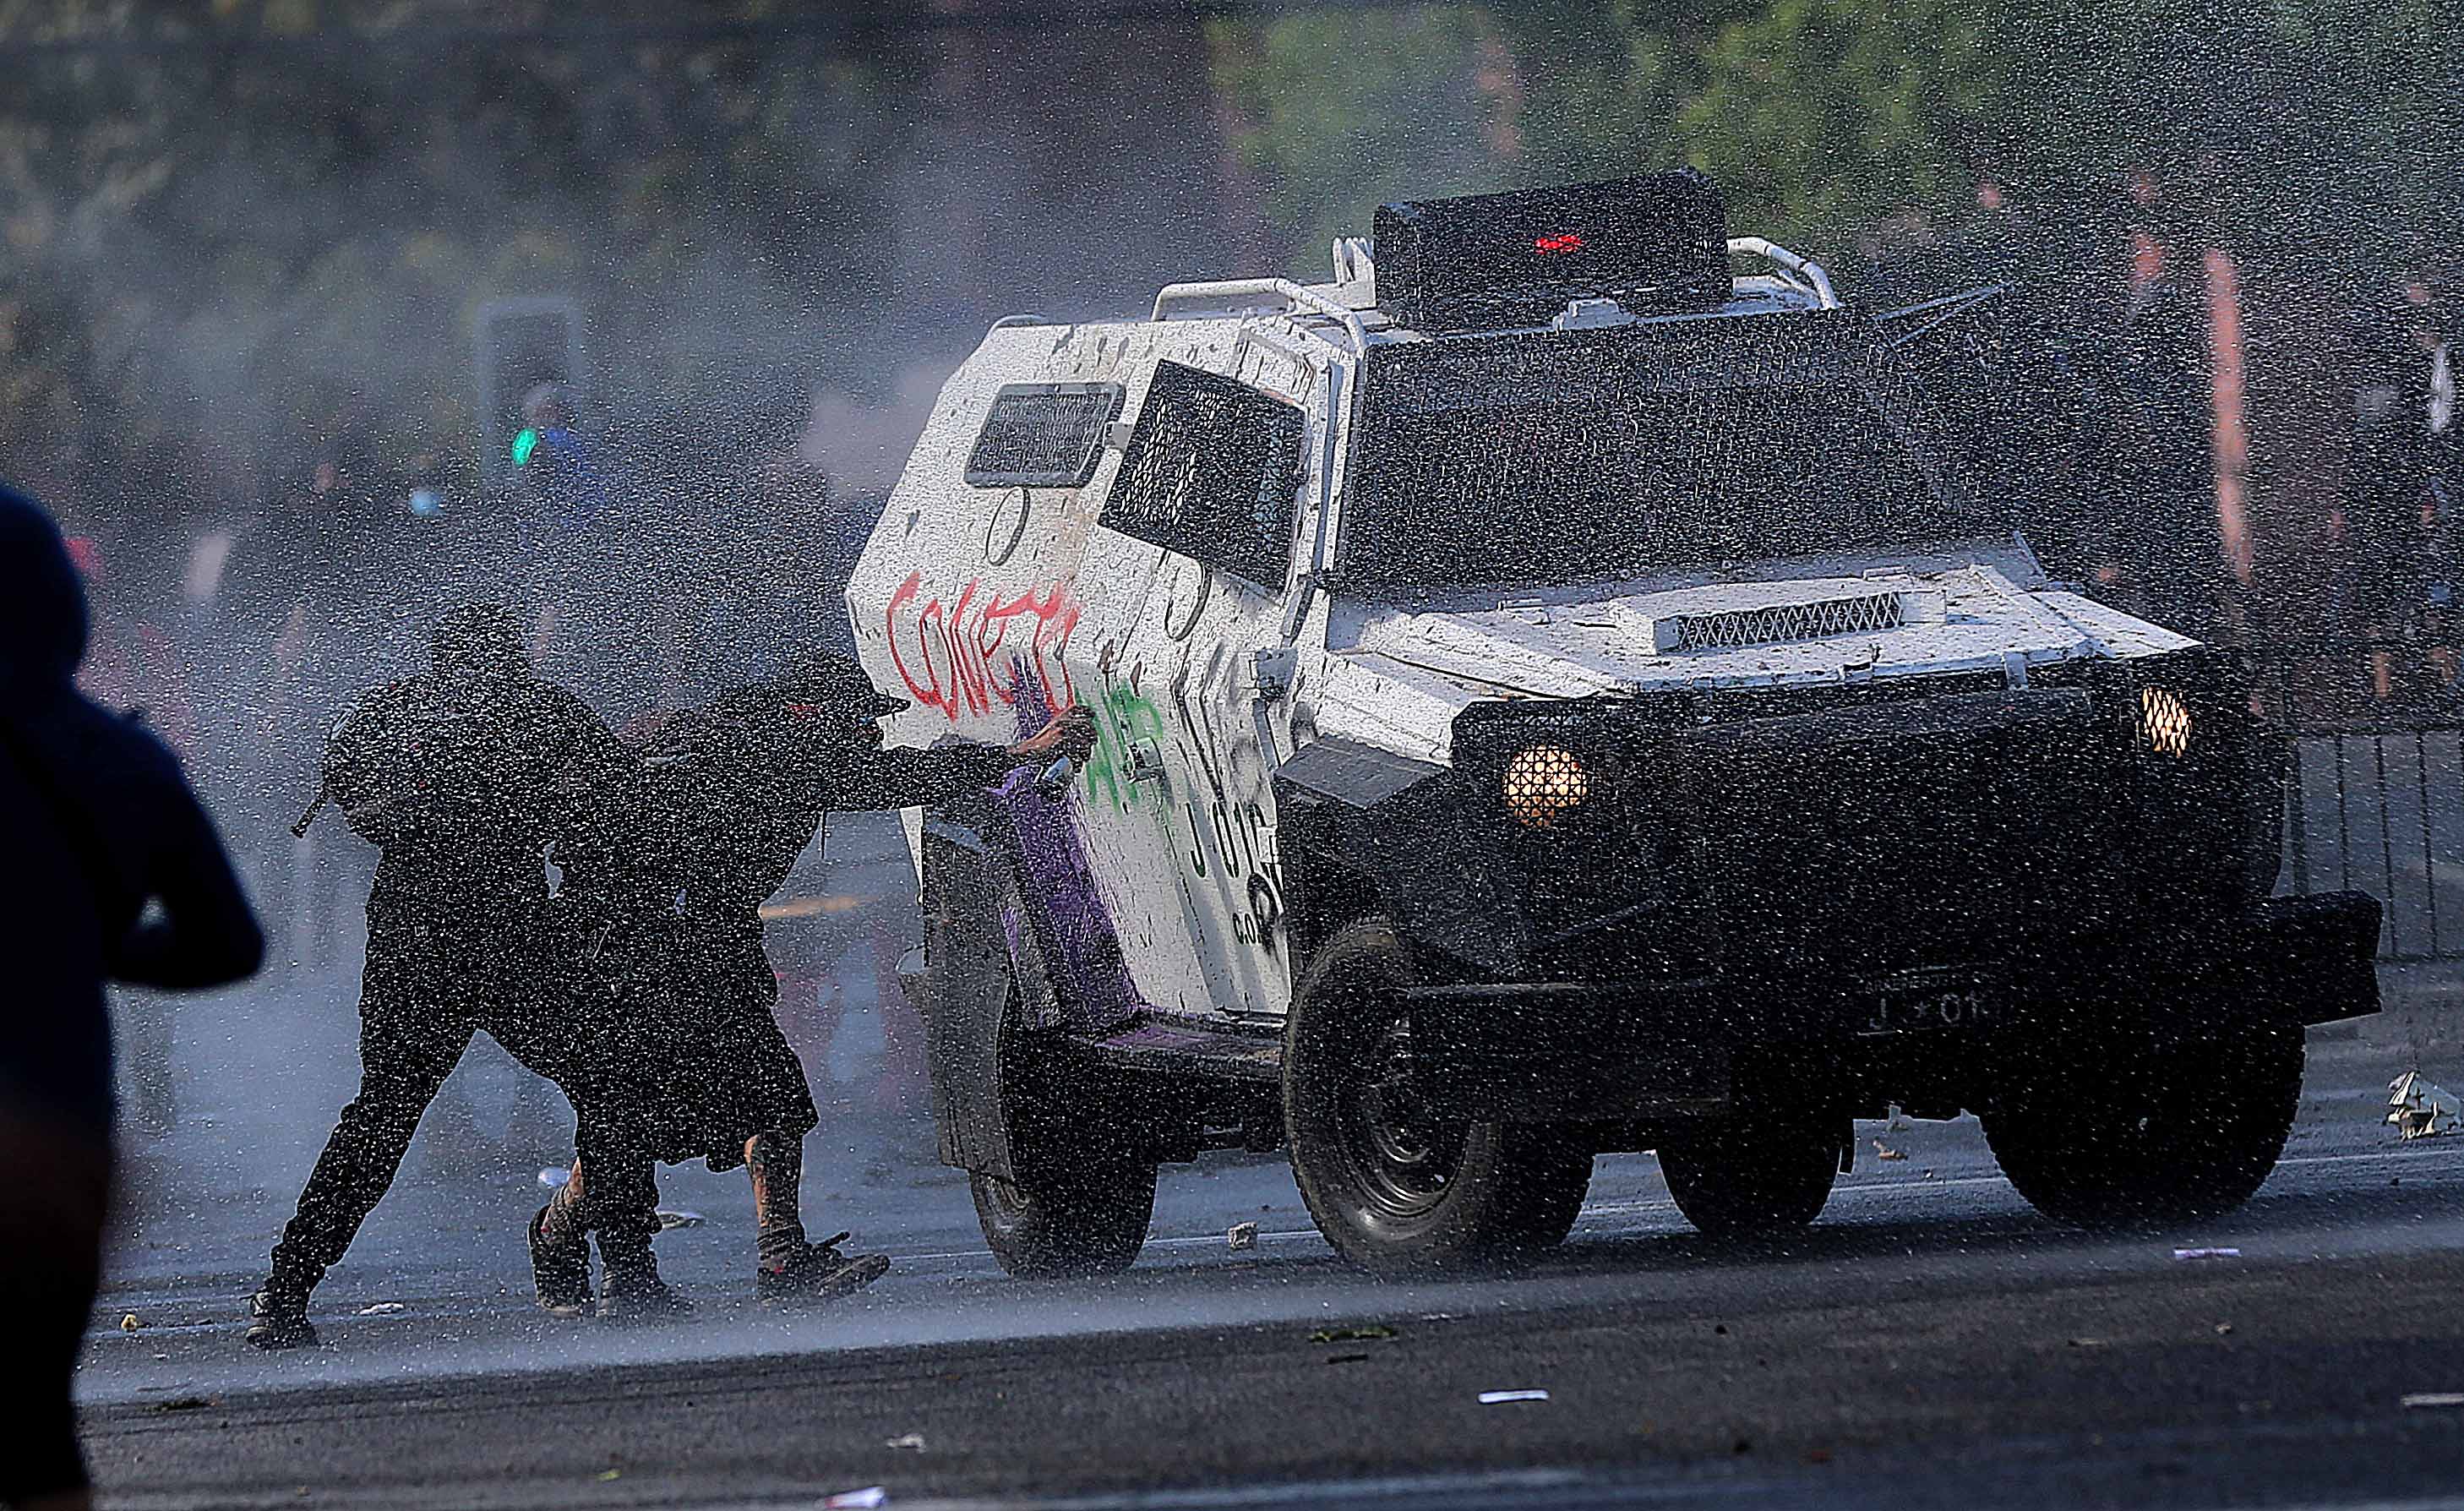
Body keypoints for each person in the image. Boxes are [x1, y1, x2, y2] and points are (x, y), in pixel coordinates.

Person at [537, 651, 1092, 1301]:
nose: (869, 734)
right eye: (858, 721)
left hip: (688, 952)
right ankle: (592, 1255)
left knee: (734, 1103)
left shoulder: (715, 733)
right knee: (637, 1121)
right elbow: (901, 776)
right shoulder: (782, 753)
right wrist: (1024, 750)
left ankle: (766, 1255)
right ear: (814, 714)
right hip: (630, 961)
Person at [245, 603, 675, 1350]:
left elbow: (342, 796)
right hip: (507, 940)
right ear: (506, 656)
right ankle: (628, 1273)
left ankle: (284, 1292)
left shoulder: (393, 709)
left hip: (413, 940)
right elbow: (621, 796)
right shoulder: (534, 709)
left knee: (380, 1119)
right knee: (612, 1082)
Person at [0, 484, 264, 1511]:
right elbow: (229, 943)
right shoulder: (124, 760)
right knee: (35, 1432)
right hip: (60, 1145)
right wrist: (90, 947)